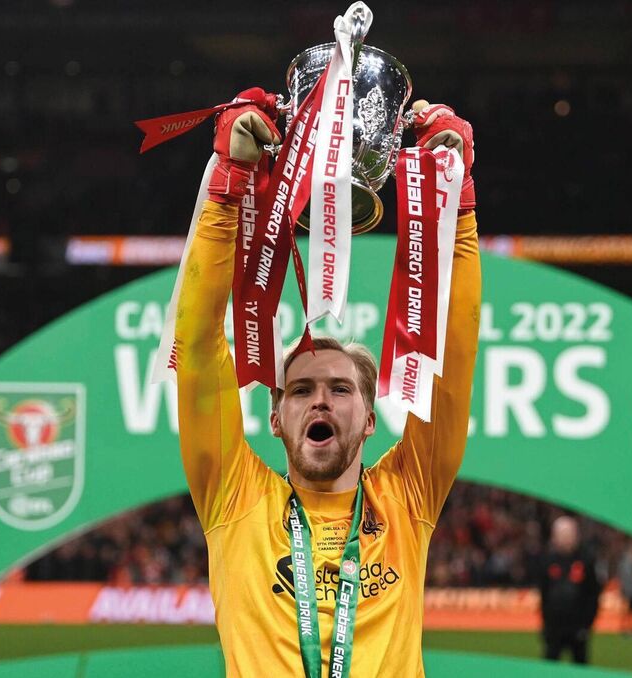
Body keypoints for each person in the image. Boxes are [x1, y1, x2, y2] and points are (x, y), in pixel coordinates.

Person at [173, 87, 480, 677]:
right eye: (301, 390)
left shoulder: (408, 495)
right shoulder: (233, 496)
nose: (320, 400)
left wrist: (456, 205)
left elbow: (454, 352)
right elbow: (199, 346)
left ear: (369, 419)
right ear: (274, 417)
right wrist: (228, 184)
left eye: (341, 389)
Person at [539, 515, 601, 664]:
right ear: (554, 537)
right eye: (561, 535)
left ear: (576, 536)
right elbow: (544, 594)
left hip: (578, 627)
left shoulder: (586, 561)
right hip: (554, 627)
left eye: (568, 534)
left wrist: (587, 625)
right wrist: (546, 624)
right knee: (549, 668)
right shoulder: (548, 561)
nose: (565, 539)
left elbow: (593, 594)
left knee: (579, 667)